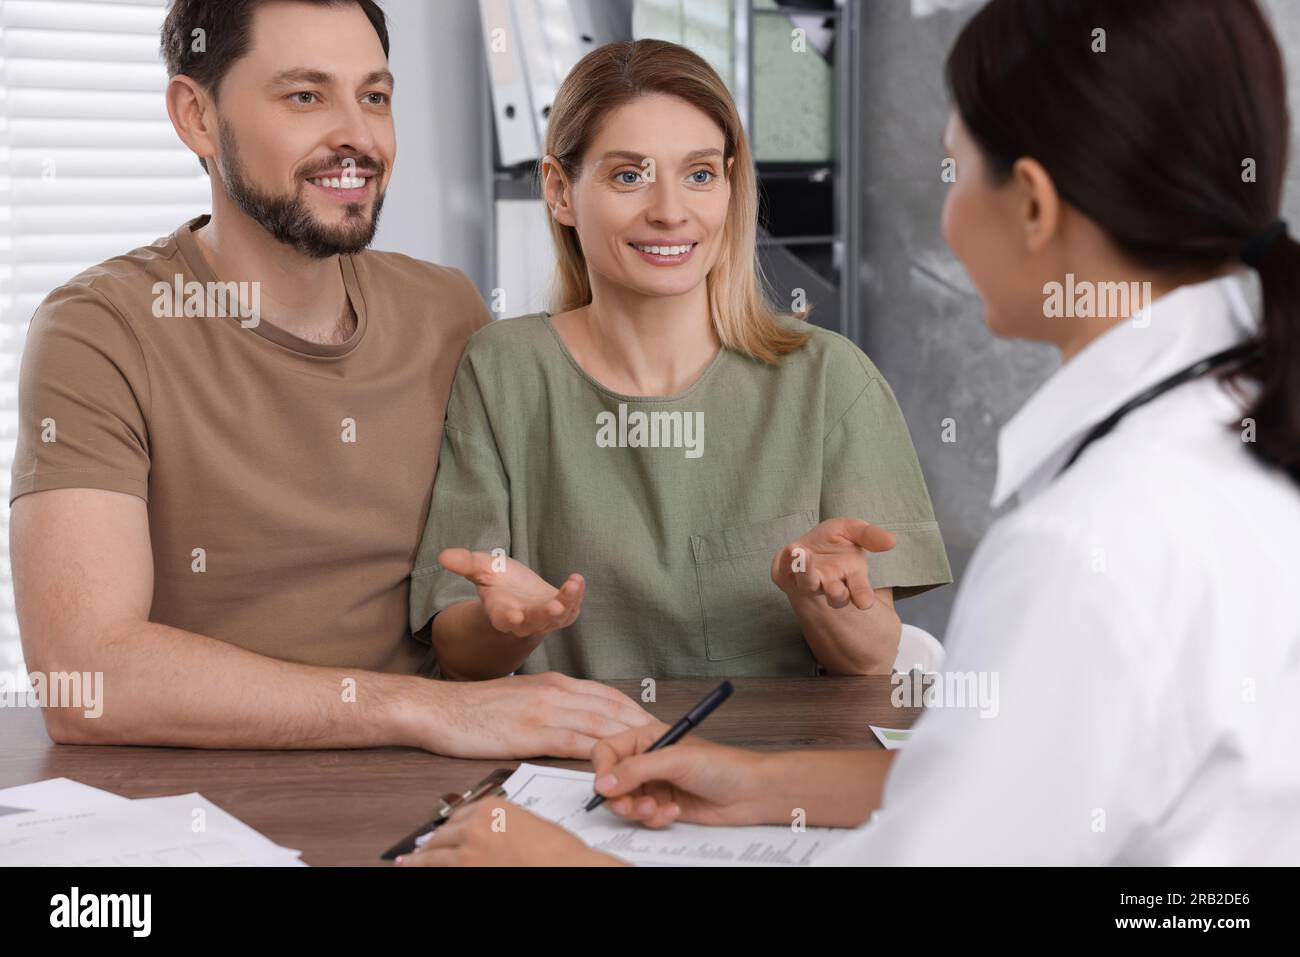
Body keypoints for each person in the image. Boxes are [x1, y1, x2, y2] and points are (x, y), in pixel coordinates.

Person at [401, 0, 1300, 866]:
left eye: (952, 166)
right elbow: (1020, 791)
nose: (941, 214)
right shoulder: (1222, 451)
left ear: (1029, 204)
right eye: (629, 173)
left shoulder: (1087, 545)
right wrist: (760, 782)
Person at [8, 0, 650, 759]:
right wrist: (426, 711)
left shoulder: (448, 310)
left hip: (441, 789)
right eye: (306, 95)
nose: (358, 136)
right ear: (197, 116)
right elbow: (89, 675)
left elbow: (483, 606)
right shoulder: (98, 330)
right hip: (211, 806)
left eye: (374, 96)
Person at [410, 39, 952, 681]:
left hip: (769, 771)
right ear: (559, 191)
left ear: (729, 186)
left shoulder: (832, 380)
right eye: (628, 175)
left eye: (699, 175)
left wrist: (816, 597)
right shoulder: (502, 369)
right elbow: (458, 649)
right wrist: (511, 625)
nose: (670, 212)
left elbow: (870, 660)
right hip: (574, 767)